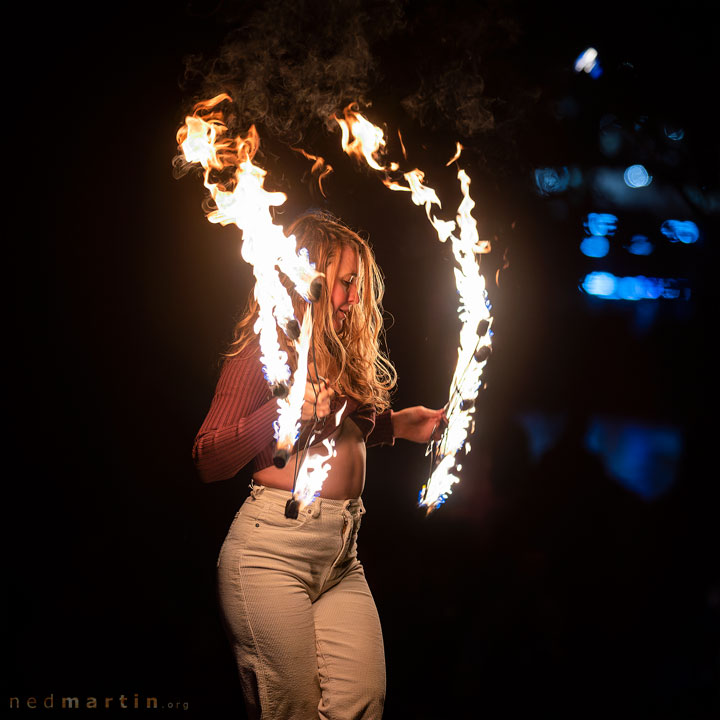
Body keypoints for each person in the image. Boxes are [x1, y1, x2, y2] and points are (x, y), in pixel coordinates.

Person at [193, 211, 446, 719]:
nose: (355, 297)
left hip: (340, 554)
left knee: (363, 701)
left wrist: (399, 425)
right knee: (292, 710)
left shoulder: (340, 352)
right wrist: (281, 413)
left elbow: (336, 435)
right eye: (346, 282)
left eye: (358, 284)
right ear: (308, 279)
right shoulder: (262, 352)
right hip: (272, 551)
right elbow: (208, 458)